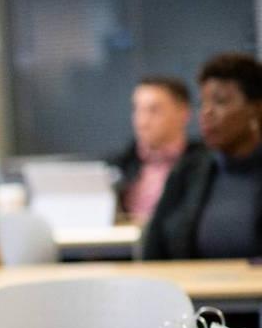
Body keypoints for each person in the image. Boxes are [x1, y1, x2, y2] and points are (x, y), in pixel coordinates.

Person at [143, 53, 262, 261]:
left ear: (256, 108)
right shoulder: (188, 170)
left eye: (220, 102)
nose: (207, 112)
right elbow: (154, 249)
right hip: (193, 291)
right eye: (203, 102)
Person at [109, 77, 199, 224]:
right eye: (137, 109)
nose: (142, 121)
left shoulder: (204, 165)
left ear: (183, 113)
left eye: (154, 110)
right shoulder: (121, 164)